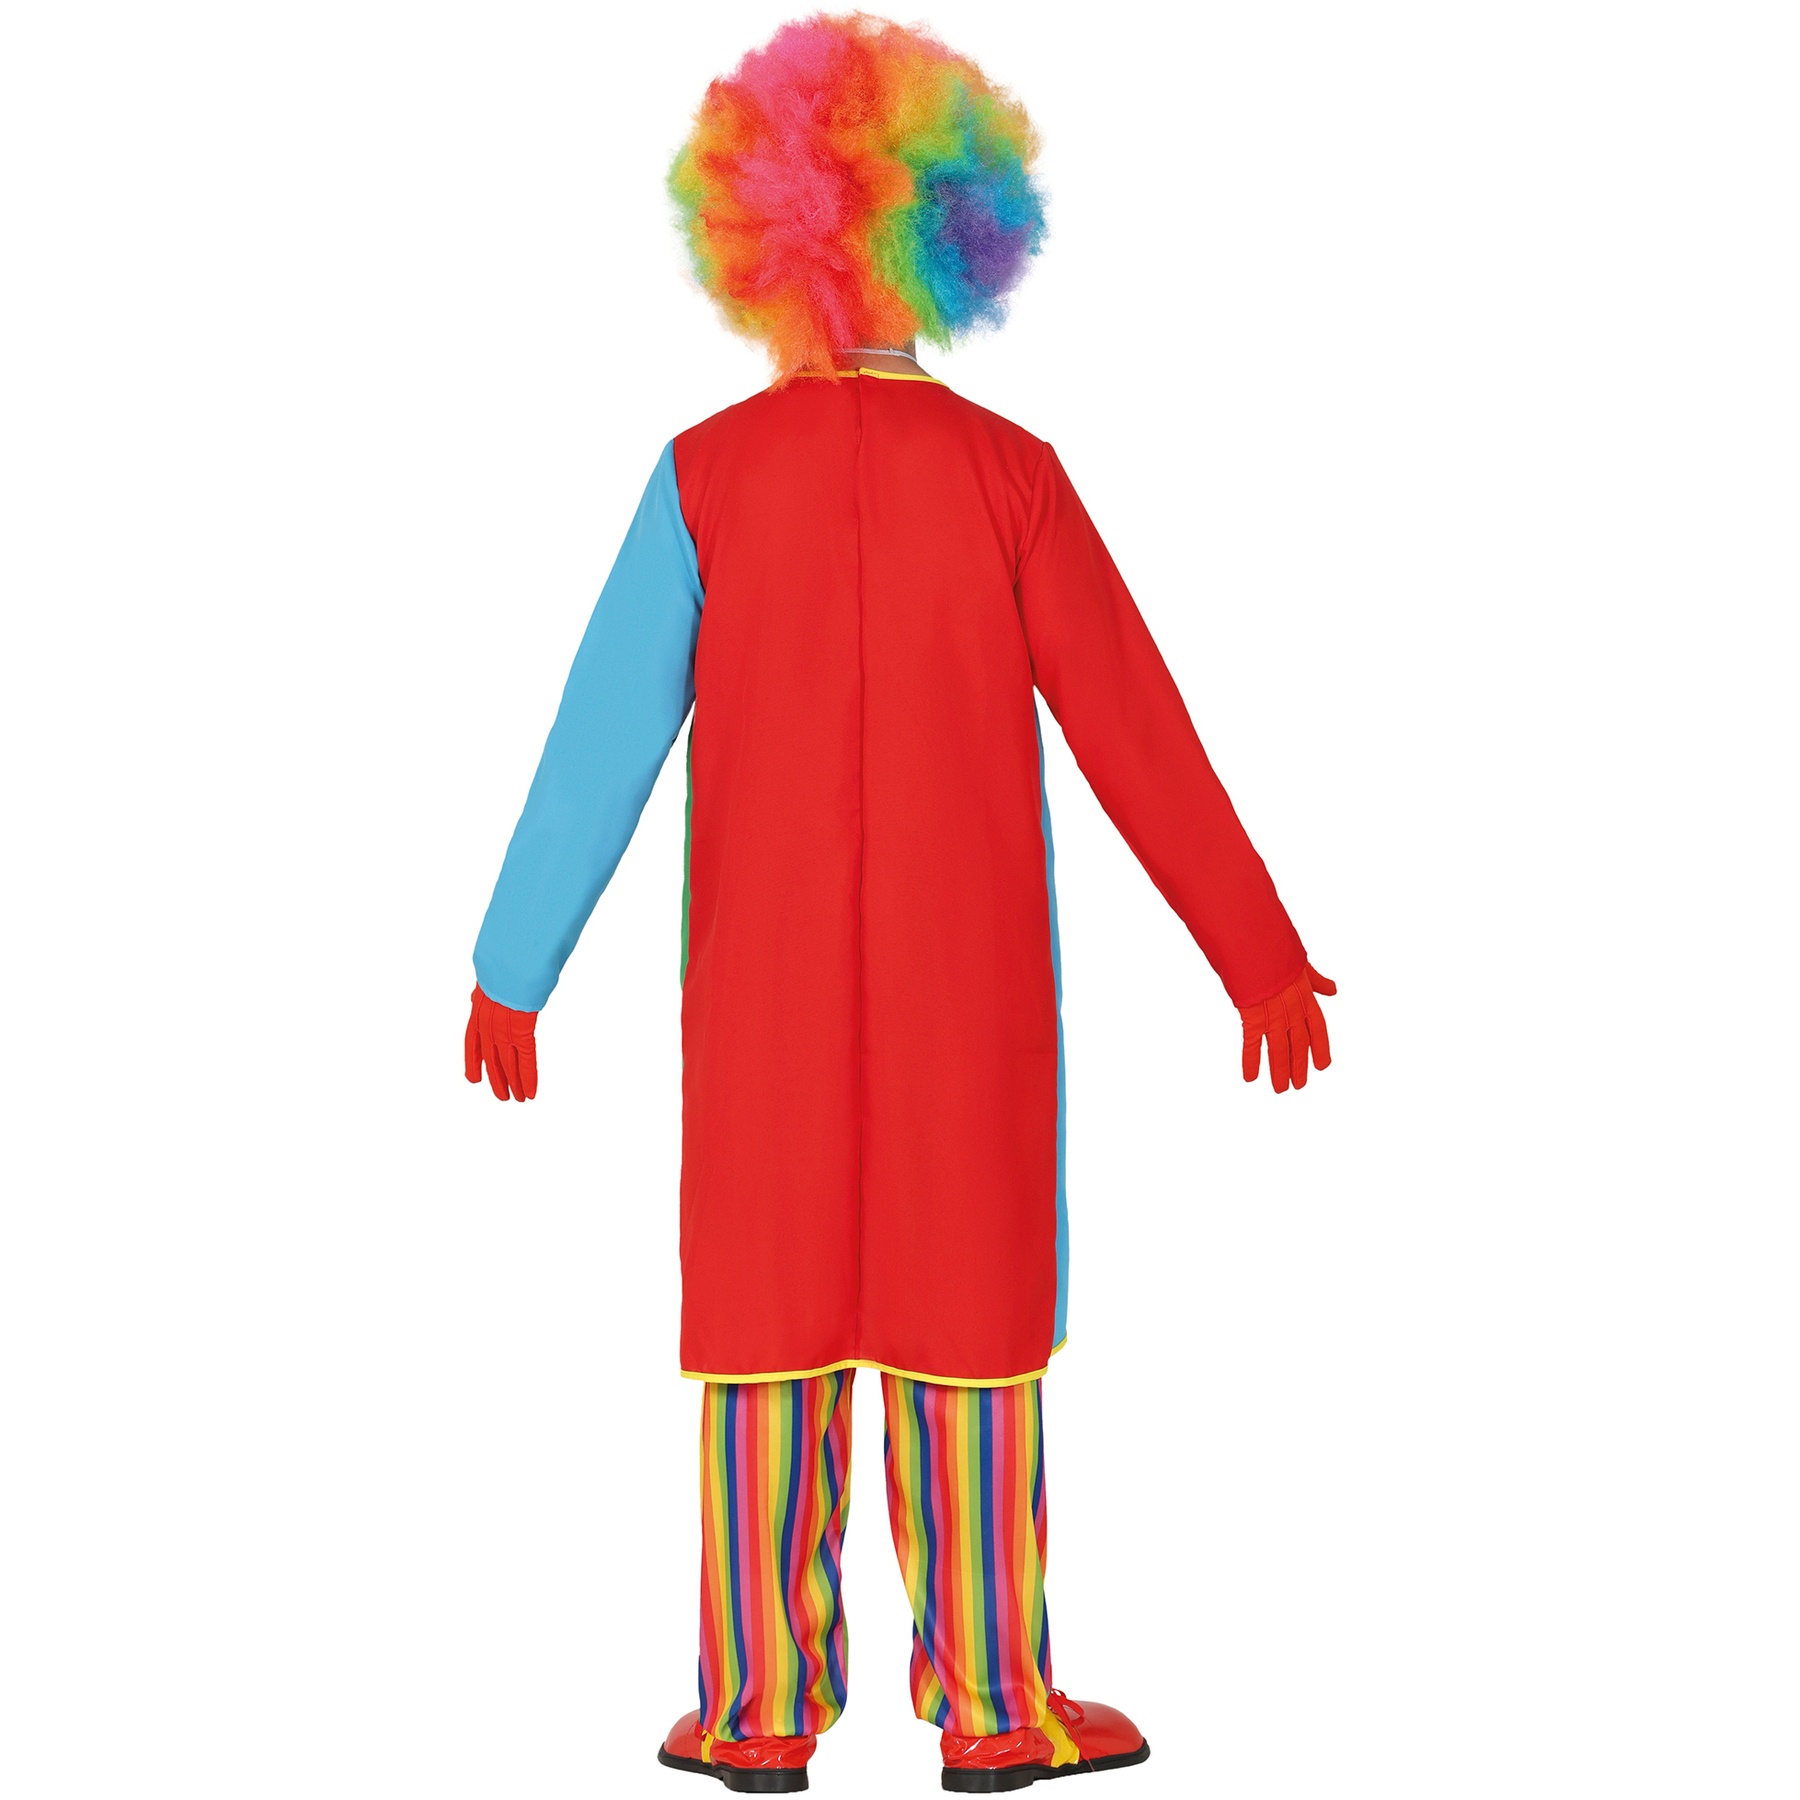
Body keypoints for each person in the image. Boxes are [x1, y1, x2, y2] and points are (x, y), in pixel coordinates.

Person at [464, 14, 1334, 1792]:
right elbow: (1139, 733)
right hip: (969, 1004)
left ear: (764, 239)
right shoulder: (1009, 478)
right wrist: (1256, 953)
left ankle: (757, 1704)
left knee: (770, 1326)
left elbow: (596, 746)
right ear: (955, 236)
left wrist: (512, 967)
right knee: (968, 1325)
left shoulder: (708, 479)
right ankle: (997, 1701)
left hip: (764, 1010)